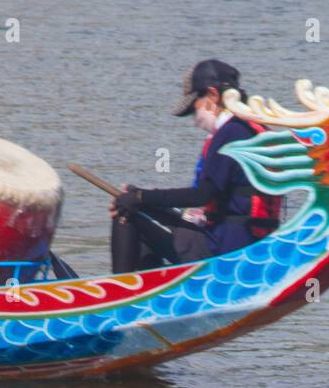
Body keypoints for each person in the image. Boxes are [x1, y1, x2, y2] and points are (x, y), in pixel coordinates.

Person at [110, 59, 282, 272]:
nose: (195, 119)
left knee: (126, 213)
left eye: (195, 108)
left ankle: (122, 292)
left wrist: (139, 198)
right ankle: (153, 287)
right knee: (140, 207)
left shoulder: (230, 132)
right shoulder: (256, 129)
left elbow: (202, 196)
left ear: (213, 96)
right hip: (253, 243)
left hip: (224, 251)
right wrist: (142, 198)